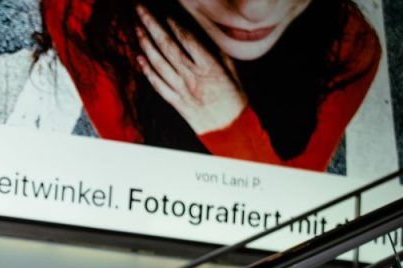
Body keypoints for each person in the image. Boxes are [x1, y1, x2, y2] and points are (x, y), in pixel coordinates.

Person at [41, 0, 382, 171]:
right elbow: (142, 185)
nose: (255, 10)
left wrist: (227, 122)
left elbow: (289, 225)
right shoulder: (87, 12)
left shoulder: (349, 45)